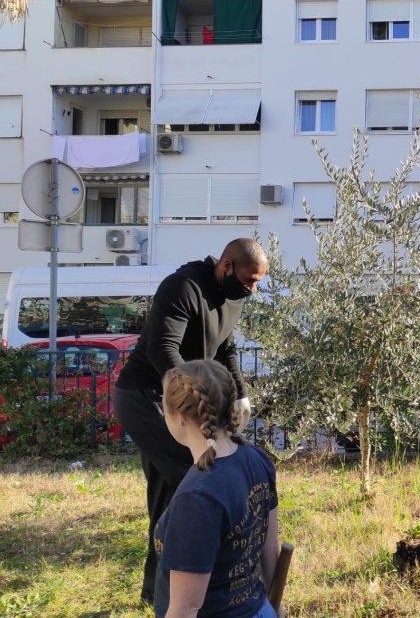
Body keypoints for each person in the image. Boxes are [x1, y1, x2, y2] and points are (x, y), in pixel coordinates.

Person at [115, 238, 268, 602]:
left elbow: (226, 349)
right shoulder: (182, 287)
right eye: (249, 281)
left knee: (170, 491)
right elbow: (162, 349)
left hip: (181, 399)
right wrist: (195, 401)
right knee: (196, 475)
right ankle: (197, 586)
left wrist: (241, 393)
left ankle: (159, 591)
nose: (253, 290)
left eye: (258, 282)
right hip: (147, 397)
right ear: (227, 266)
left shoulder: (233, 298)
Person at [155, 359, 279, 618]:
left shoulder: (197, 498)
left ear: (179, 418)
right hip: (259, 611)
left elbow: (186, 608)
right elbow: (270, 552)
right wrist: (277, 609)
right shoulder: (257, 460)